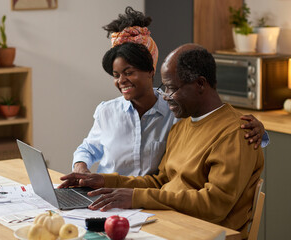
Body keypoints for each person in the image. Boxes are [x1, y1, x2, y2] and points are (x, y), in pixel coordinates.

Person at [60, 44, 264, 239]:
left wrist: (136, 198)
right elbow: (161, 181)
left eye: (171, 88)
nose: (165, 97)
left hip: (206, 233)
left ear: (200, 84)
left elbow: (214, 206)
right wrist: (105, 181)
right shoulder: (181, 126)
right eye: (164, 88)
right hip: (170, 222)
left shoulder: (237, 133)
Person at [72, 7, 267, 176]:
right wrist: (81, 167)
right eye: (116, 75)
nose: (121, 81)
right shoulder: (107, 112)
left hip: (155, 203)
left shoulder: (177, 110)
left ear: (151, 71)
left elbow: (216, 127)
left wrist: (259, 130)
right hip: (107, 199)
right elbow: (88, 149)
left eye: (128, 72)